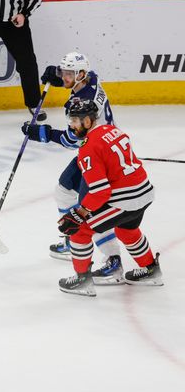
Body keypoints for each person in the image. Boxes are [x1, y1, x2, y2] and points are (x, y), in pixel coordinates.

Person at [21, 52, 123, 284]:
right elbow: (80, 81)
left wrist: (41, 133)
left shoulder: (81, 104)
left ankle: (114, 261)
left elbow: (71, 140)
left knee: (93, 212)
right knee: (63, 190)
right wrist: (58, 77)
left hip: (100, 156)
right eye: (64, 72)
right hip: (95, 147)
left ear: (81, 74)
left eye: (69, 74)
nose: (65, 77)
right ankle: (71, 240)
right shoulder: (92, 78)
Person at [56, 99, 162, 296]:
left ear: (88, 121)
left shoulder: (87, 148)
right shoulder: (114, 131)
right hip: (145, 192)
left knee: (79, 230)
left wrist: (79, 213)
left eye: (75, 121)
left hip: (126, 199)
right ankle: (150, 270)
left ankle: (82, 280)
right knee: (127, 230)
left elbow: (100, 191)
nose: (71, 125)